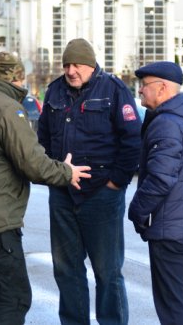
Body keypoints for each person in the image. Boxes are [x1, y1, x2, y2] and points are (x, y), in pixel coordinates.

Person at [0, 51, 92, 325]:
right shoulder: (6, 109)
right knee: (15, 295)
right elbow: (32, 163)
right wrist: (66, 172)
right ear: (15, 78)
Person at [37, 38, 141, 325]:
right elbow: (42, 139)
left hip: (101, 196)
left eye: (77, 65)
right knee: (66, 270)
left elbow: (132, 140)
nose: (71, 71)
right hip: (62, 194)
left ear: (91, 65)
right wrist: (53, 171)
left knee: (107, 272)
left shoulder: (114, 89)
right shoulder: (55, 91)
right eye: (67, 65)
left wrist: (115, 184)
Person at [128, 62, 183, 325]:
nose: (140, 91)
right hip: (182, 225)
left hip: (168, 227)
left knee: (172, 305)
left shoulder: (167, 124)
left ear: (161, 88)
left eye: (144, 85)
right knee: (182, 297)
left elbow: (160, 178)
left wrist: (136, 211)